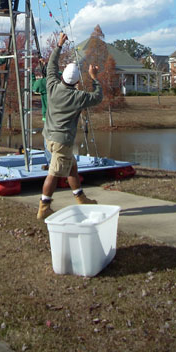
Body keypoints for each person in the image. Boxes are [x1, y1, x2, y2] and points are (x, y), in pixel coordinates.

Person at [37, 32, 103, 220]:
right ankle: (44, 206)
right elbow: (97, 97)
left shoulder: (52, 85)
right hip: (62, 141)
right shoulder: (78, 97)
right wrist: (94, 77)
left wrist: (58, 45)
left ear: (62, 77)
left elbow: (51, 66)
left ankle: (80, 198)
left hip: (48, 136)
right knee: (54, 173)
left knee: (71, 165)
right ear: (75, 82)